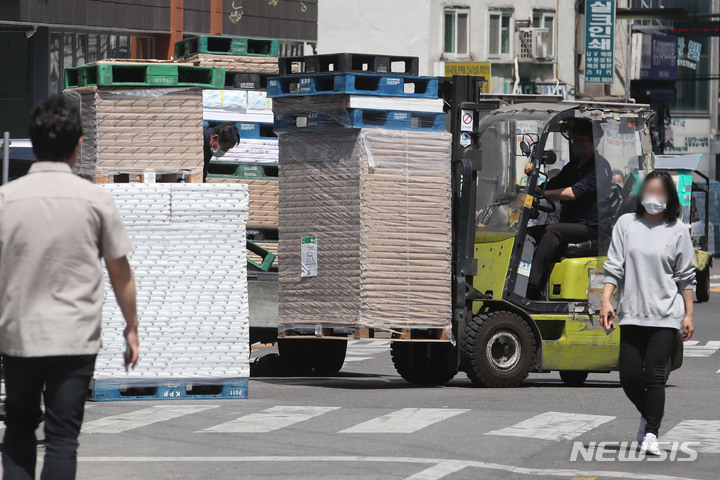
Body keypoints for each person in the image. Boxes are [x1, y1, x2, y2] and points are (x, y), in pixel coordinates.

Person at [0, 95, 140, 480]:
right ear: (79, 146)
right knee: (62, 438)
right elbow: (120, 272)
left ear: (34, 141)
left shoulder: (5, 199)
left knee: (18, 428)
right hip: (75, 339)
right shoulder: (96, 200)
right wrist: (132, 328)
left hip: (20, 335)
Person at [599, 170, 695, 456]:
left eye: (660, 193)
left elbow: (686, 278)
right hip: (632, 314)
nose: (654, 198)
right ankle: (649, 414)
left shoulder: (678, 230)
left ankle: (651, 431)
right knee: (628, 376)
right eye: (649, 192)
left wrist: (688, 314)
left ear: (669, 198)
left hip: (665, 315)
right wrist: (606, 300)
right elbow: (614, 266)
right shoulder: (626, 224)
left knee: (654, 375)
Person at [527, 120, 612, 300]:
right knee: (527, 234)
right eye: (575, 141)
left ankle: (533, 287)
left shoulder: (599, 167)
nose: (577, 145)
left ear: (594, 143)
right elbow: (554, 184)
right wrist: (533, 190)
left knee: (552, 231)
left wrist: (545, 193)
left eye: (582, 141)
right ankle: (517, 278)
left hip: (590, 227)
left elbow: (574, 192)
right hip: (571, 225)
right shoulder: (573, 166)